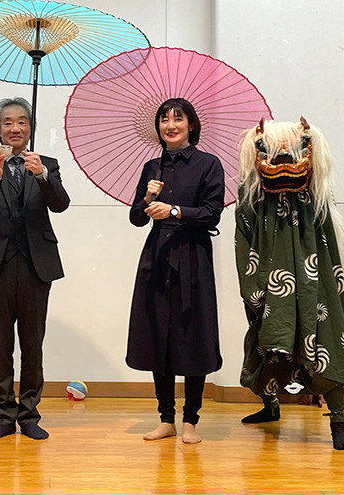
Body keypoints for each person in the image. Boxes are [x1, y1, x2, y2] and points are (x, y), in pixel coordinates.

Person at [234, 117, 344, 450]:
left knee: (326, 340)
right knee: (267, 342)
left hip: (315, 280)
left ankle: (338, 420)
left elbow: (329, 241)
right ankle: (270, 405)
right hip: (269, 282)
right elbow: (244, 241)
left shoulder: (315, 192)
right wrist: (253, 285)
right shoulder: (250, 195)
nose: (284, 161)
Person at [0, 97, 70, 440]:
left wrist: (42, 175)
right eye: (8, 122)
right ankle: (3, 415)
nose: (15, 128)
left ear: (31, 127)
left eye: (22, 121)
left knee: (32, 342)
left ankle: (29, 414)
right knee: (1, 343)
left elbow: (60, 204)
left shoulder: (46, 163)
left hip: (36, 264)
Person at [125, 98, 224, 444]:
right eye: (164, 120)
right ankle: (166, 419)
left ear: (191, 125)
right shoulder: (151, 167)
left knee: (193, 335)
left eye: (178, 119)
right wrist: (145, 200)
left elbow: (212, 213)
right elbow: (136, 219)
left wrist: (176, 210)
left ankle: (191, 421)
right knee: (158, 335)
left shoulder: (208, 164)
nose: (170, 125)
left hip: (193, 255)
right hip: (157, 255)